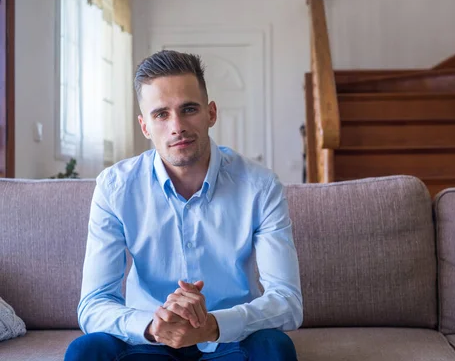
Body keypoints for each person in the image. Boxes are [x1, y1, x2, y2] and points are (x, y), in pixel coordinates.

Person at [65, 50, 303, 360]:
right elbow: (93, 303)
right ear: (145, 126)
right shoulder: (114, 188)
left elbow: (287, 301)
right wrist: (153, 326)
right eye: (161, 114)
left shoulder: (260, 187)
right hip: (148, 340)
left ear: (211, 113)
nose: (177, 126)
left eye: (188, 109)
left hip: (230, 339)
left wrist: (213, 325)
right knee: (86, 350)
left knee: (274, 348)